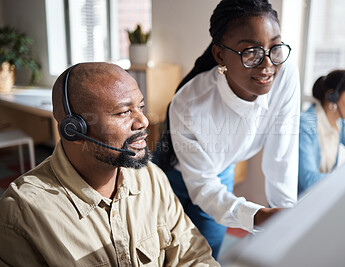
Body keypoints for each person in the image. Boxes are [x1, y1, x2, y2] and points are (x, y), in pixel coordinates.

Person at [0, 62, 219, 266]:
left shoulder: (151, 176)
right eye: (124, 112)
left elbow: (193, 254)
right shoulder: (22, 212)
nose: (143, 121)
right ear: (74, 129)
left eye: (140, 107)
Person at [154, 0, 300, 258]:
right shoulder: (189, 103)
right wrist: (256, 216)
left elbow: (282, 157)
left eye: (274, 47)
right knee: (163, 253)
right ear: (220, 55)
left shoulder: (285, 75)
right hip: (170, 176)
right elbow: (201, 184)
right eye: (251, 52)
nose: (267, 64)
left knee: (206, 255)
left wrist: (286, 219)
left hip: (218, 171)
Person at [298, 69, 345, 195]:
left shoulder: (341, 125)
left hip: (321, 197)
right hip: (299, 205)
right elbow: (308, 180)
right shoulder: (306, 125)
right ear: (332, 97)